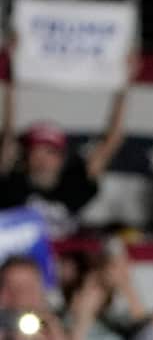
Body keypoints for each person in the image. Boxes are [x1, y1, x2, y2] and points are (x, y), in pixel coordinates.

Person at [0, 57, 135, 238]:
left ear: (61, 157)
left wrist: (123, 86)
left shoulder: (74, 184)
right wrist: (11, 80)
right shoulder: (12, 184)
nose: (42, 158)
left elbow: (112, 142)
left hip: (64, 253)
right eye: (35, 151)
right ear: (26, 156)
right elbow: (8, 135)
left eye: (50, 152)